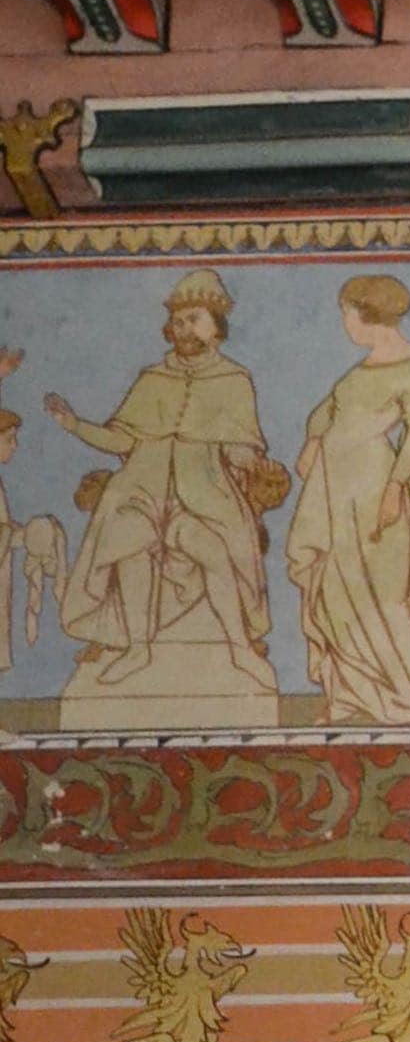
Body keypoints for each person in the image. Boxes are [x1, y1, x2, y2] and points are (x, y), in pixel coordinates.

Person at [48, 266, 287, 722]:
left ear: (216, 328)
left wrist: (252, 463)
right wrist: (74, 424)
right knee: (129, 539)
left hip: (203, 493)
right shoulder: (153, 378)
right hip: (142, 486)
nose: (184, 330)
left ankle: (239, 646)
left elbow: (242, 445)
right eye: (178, 322)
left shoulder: (234, 380)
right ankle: (138, 647)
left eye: (194, 319)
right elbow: (123, 440)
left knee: (214, 548)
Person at [288, 273, 410, 724]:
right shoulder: (363, 368)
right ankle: (350, 696)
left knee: (384, 591)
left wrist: (395, 488)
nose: (345, 324)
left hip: (373, 484)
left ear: (367, 314)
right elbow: (328, 410)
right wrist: (312, 442)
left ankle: (407, 693)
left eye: (347, 314)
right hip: (333, 486)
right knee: (334, 588)